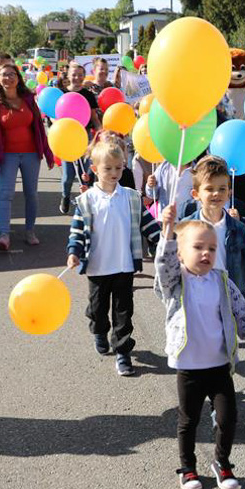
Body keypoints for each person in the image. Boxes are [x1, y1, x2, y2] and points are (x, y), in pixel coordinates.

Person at [155, 206, 245, 489]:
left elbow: (240, 313)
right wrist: (167, 231)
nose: (206, 254)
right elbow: (163, 266)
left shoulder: (222, 280)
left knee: (228, 418)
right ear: (180, 253)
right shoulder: (175, 283)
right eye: (198, 247)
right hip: (189, 366)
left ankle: (222, 463)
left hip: (219, 364)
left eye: (211, 248)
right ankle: (187, 468)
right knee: (188, 420)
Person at [65, 136, 161, 377]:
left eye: (119, 168)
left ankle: (122, 352)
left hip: (123, 266)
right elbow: (77, 230)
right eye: (108, 168)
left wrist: (164, 240)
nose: (114, 172)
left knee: (123, 311)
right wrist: (73, 252)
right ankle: (98, 330)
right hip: (97, 268)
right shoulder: (87, 200)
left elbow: (148, 224)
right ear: (95, 170)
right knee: (98, 310)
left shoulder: (131, 197)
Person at [180, 156, 245, 308]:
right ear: (196, 194)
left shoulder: (236, 227)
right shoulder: (187, 224)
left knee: (232, 331)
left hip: (229, 296)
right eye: (209, 188)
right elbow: (172, 256)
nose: (216, 194)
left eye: (222, 189)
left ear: (229, 192)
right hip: (196, 296)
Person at [0, 62, 55, 251]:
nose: (8, 77)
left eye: (12, 74)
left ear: (18, 77)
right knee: (5, 195)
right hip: (7, 156)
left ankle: (30, 231)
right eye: (4, 74)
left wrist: (48, 154)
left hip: (31, 154)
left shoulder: (29, 99)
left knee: (31, 194)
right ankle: (4, 234)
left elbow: (40, 128)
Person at [59, 62, 102, 215]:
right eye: (74, 74)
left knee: (88, 172)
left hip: (85, 137)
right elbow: (54, 117)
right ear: (68, 76)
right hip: (66, 138)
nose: (77, 77)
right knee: (68, 176)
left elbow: (94, 118)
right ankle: (65, 196)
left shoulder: (88, 95)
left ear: (84, 76)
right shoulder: (61, 93)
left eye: (80, 75)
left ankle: (86, 201)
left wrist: (101, 132)